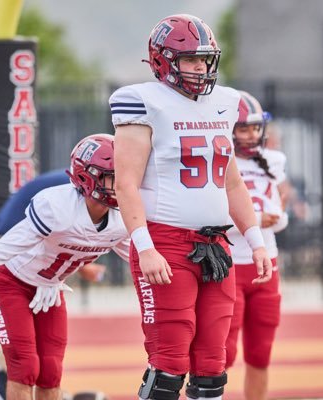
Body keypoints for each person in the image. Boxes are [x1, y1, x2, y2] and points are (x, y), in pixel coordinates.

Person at [109, 14, 273, 400]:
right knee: (169, 364)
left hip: (216, 246)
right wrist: (145, 246)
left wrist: (257, 239)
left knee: (213, 364)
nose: (201, 68)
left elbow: (231, 182)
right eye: (191, 60)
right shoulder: (143, 102)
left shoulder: (224, 103)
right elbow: (125, 183)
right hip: (166, 242)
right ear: (165, 61)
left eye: (205, 59)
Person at [0, 133, 130, 400]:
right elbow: (4, 250)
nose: (122, 184)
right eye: (112, 175)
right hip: (11, 281)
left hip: (49, 288)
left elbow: (143, 259)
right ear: (87, 175)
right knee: (25, 367)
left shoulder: (124, 217)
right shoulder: (57, 206)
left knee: (51, 371)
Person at [225, 91, 289, 400]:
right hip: (231, 264)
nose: (251, 135)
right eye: (243, 128)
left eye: (255, 128)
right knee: (221, 353)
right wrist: (255, 219)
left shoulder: (273, 161)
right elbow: (210, 213)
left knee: (261, 351)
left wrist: (274, 218)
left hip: (267, 264)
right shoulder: (219, 162)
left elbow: (280, 213)